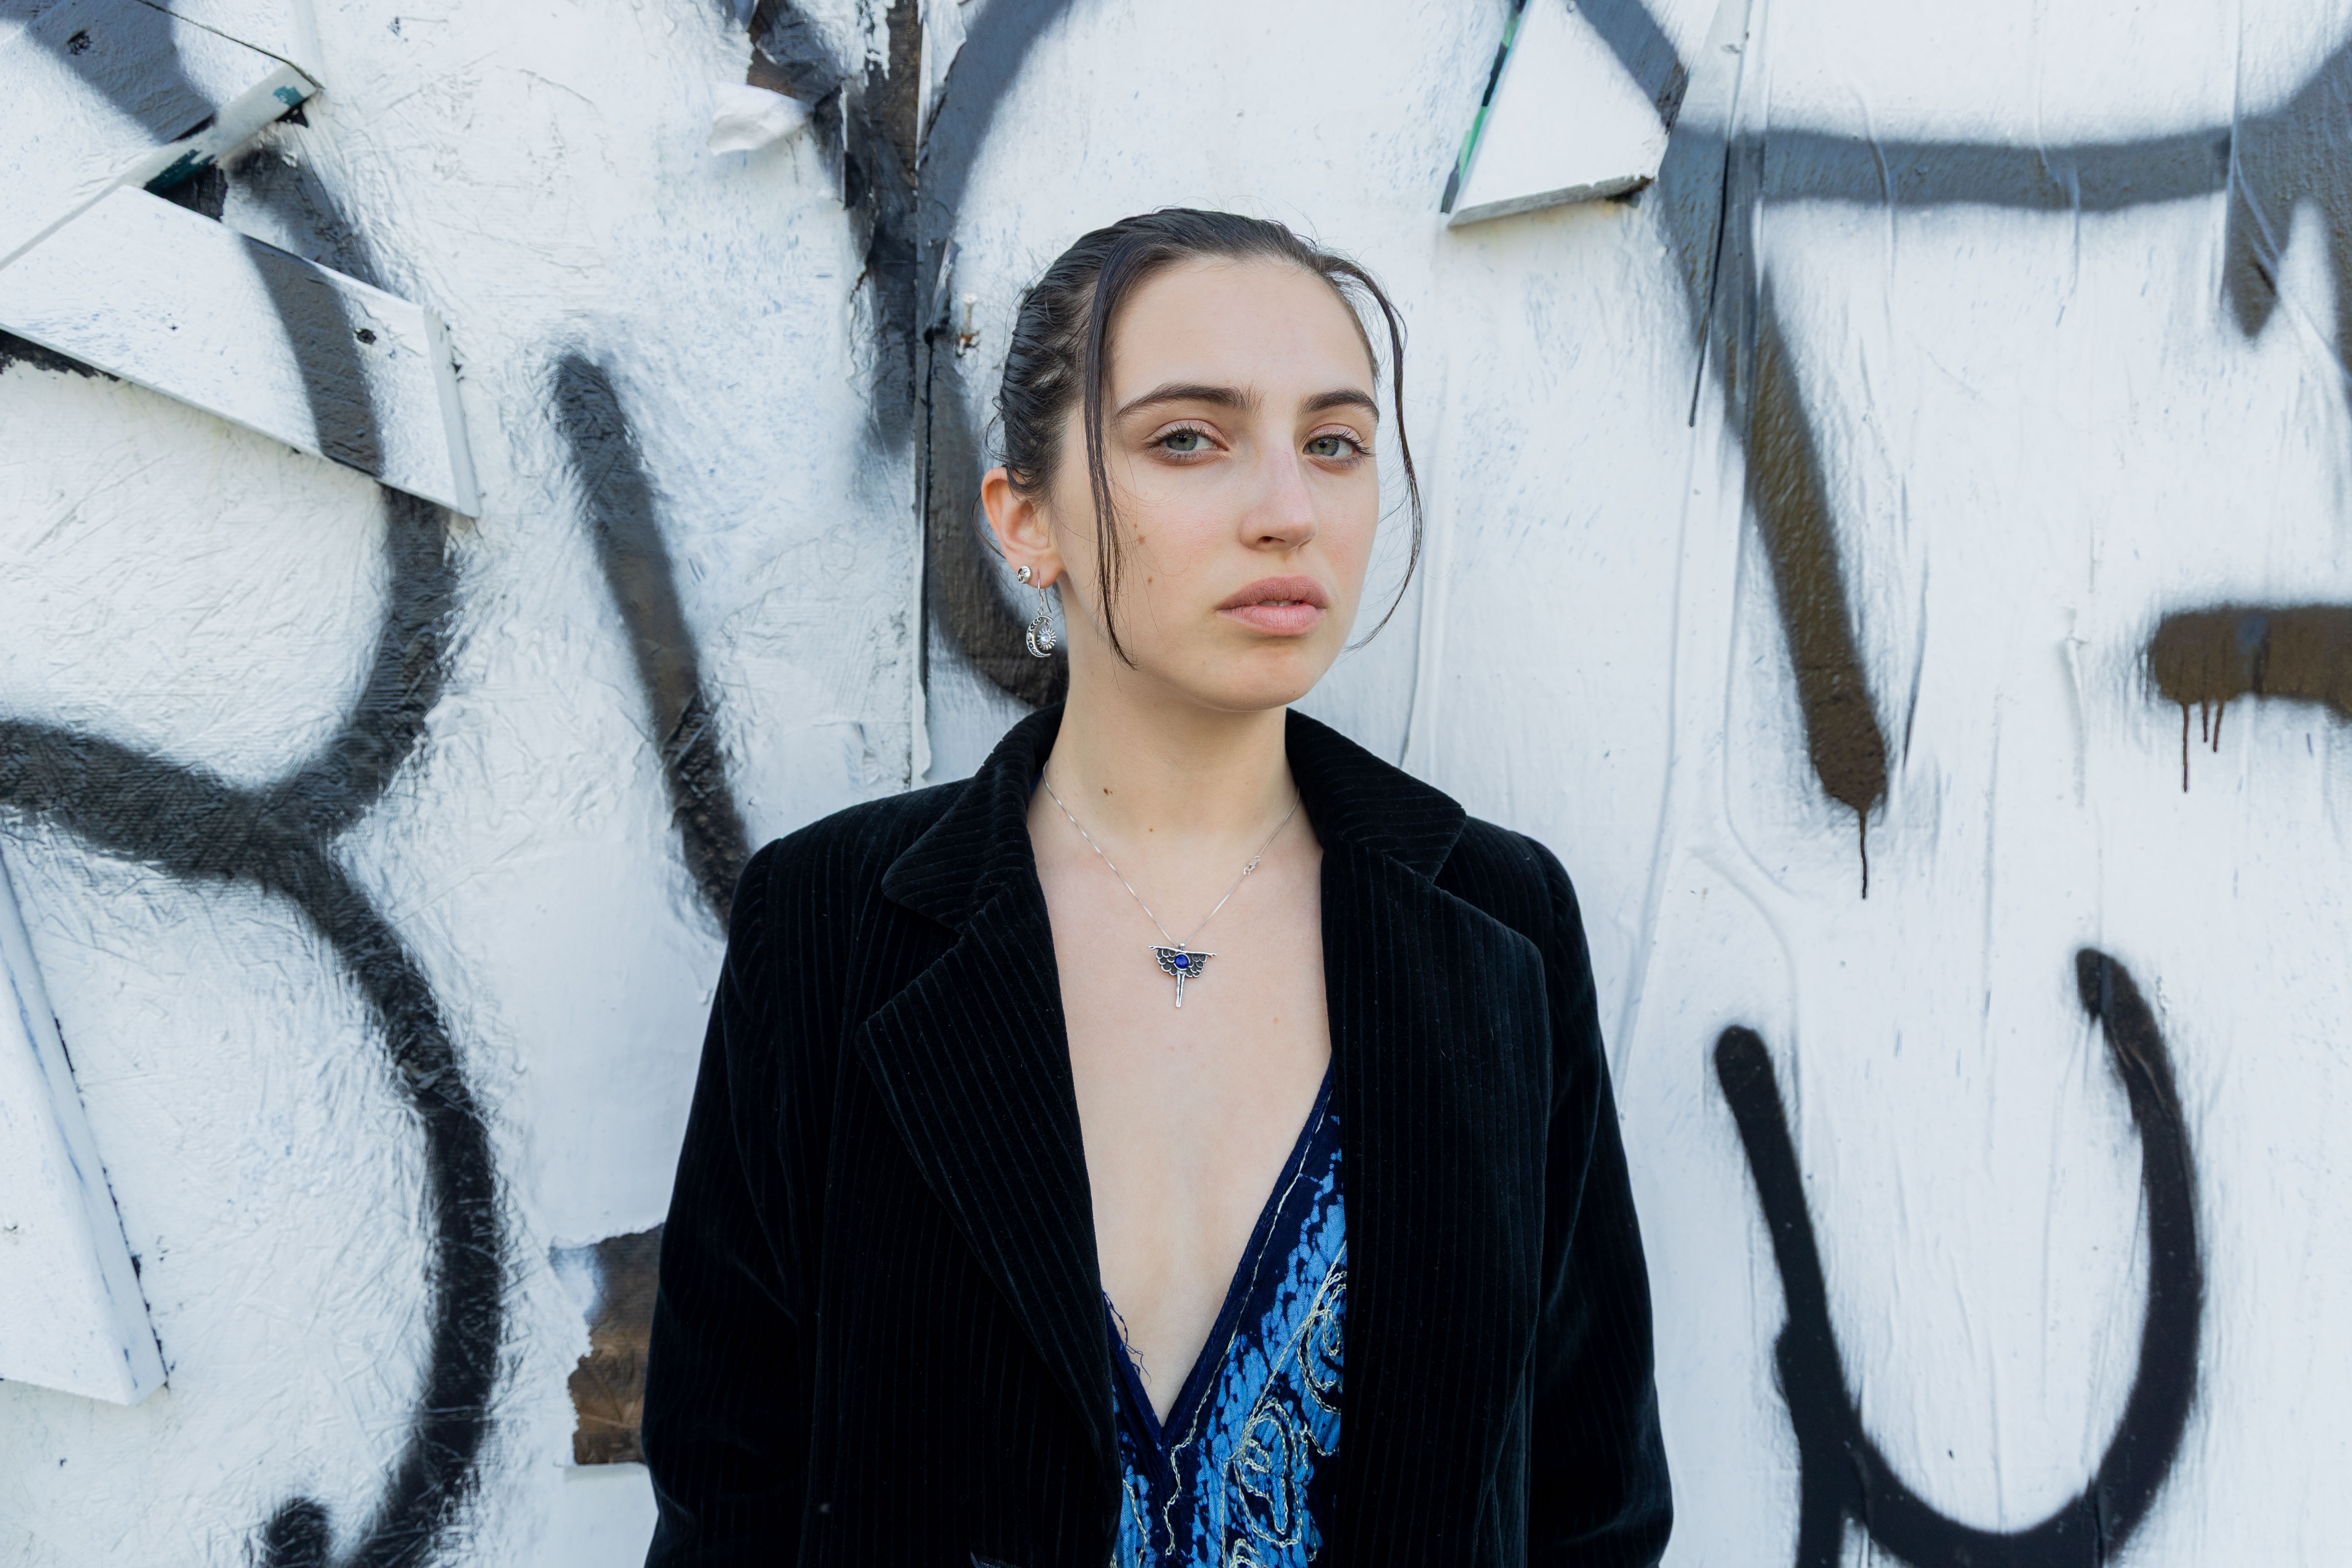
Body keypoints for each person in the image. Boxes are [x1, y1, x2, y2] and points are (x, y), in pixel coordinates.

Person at [640, 208, 1671, 1567]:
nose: (1288, 512)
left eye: (1335, 443)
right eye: (1189, 438)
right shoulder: (832, 925)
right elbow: (730, 1496)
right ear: (1027, 520)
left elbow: (1593, 1503)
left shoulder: (1500, 924)